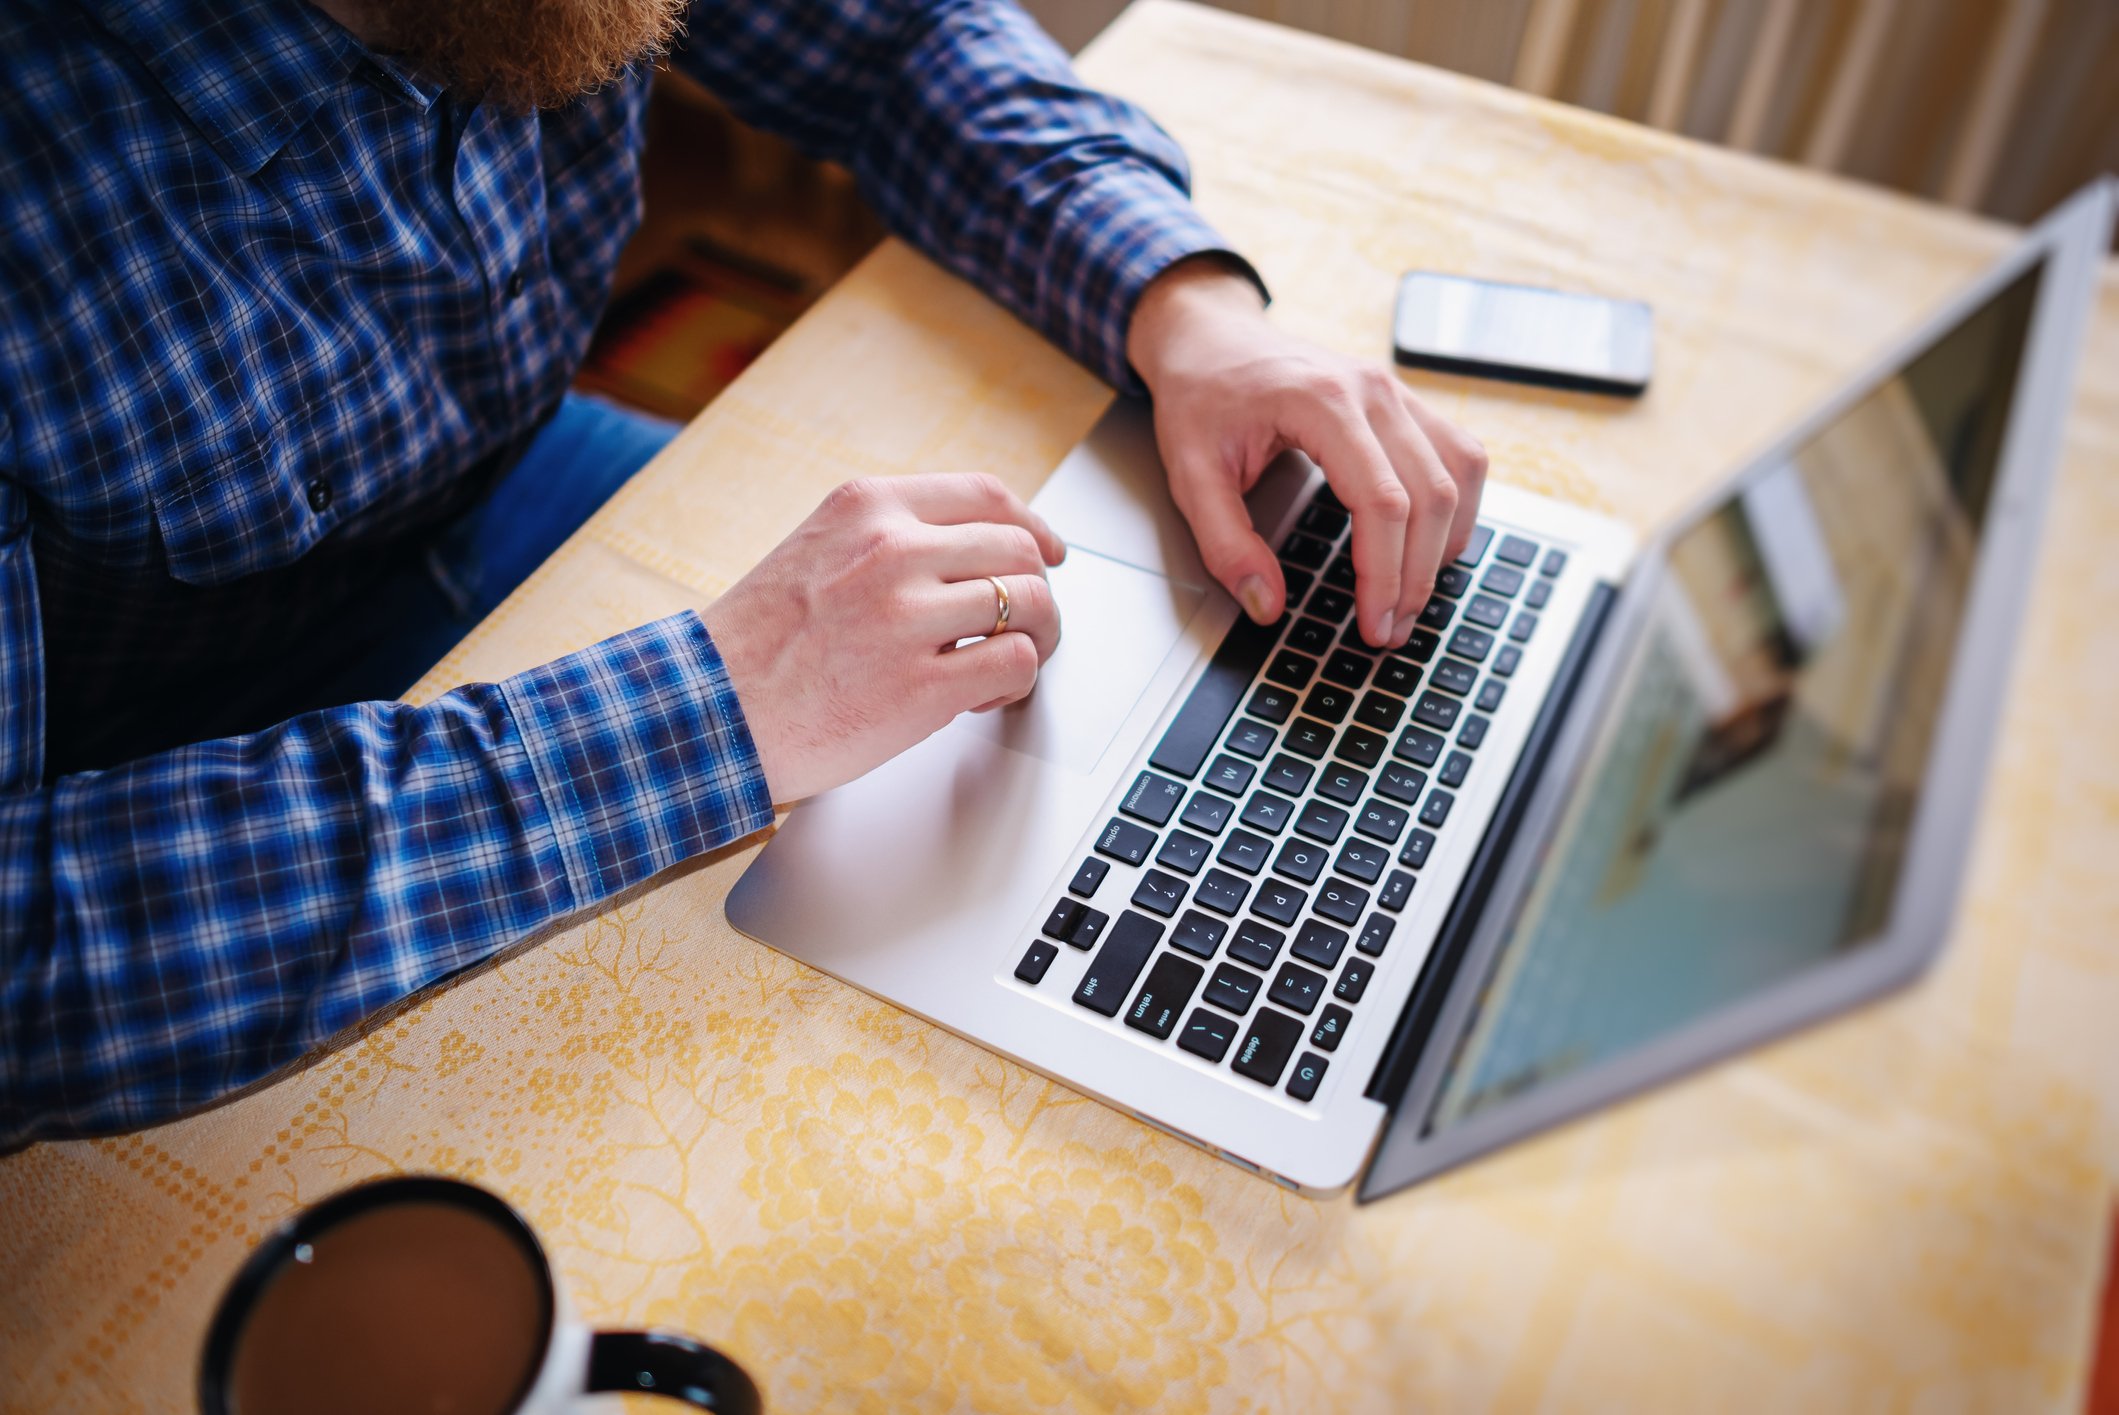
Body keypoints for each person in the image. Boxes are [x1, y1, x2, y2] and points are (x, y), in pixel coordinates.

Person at [0, 0, 1487, 1148]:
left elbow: (897, 43)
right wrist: (713, 704)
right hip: (143, 763)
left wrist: (1194, 310)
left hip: (498, 490)